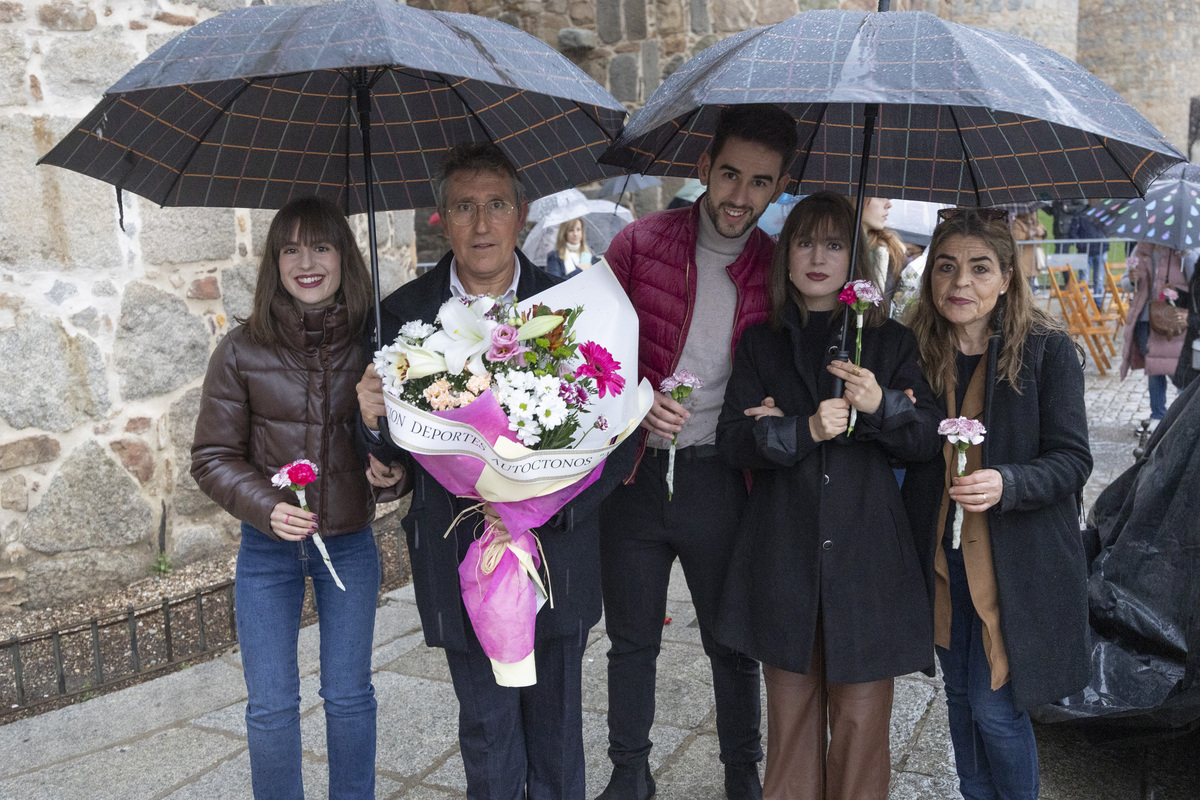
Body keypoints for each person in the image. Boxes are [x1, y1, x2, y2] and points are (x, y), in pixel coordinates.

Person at [355, 142, 635, 799]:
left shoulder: (574, 304)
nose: (481, 224)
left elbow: (618, 430)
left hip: (555, 549)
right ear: (441, 219)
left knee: (558, 734)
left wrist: (553, 509)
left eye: (496, 205)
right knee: (486, 733)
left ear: (522, 214)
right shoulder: (401, 316)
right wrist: (372, 419)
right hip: (460, 551)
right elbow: (395, 458)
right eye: (464, 207)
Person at [596, 103, 797, 800]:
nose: (741, 197)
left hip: (721, 482)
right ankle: (629, 778)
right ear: (705, 167)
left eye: (761, 182)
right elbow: (588, 359)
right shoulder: (637, 244)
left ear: (778, 186)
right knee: (630, 643)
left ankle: (743, 780)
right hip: (634, 478)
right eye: (731, 174)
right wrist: (636, 400)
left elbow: (790, 369)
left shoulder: (777, 272)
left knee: (731, 646)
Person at [714, 192, 941, 800]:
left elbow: (927, 440)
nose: (819, 257)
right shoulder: (763, 342)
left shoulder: (887, 343)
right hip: (785, 555)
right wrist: (801, 429)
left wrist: (881, 406)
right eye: (805, 243)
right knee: (790, 725)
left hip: (866, 561)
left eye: (835, 244)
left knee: (862, 724)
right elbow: (733, 439)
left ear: (854, 260)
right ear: (785, 257)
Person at [192, 197, 388, 800]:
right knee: (272, 705)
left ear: (344, 258)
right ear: (274, 262)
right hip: (268, 554)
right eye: (291, 248)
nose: (307, 262)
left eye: (322, 246)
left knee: (350, 695)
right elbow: (211, 457)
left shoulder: (374, 346)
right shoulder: (241, 350)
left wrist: (391, 470)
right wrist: (264, 505)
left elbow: (403, 448)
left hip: (350, 545)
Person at [904, 207, 1092, 800]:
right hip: (943, 559)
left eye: (980, 269)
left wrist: (1007, 483)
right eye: (947, 268)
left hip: (1015, 564)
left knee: (994, 708)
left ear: (1007, 277)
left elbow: (1072, 459)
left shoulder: (1047, 351)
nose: (961, 284)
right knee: (958, 696)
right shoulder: (914, 351)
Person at [1120, 241, 1188, 427]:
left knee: (1174, 366)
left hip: (1171, 316)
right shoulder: (1140, 249)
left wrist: (1187, 256)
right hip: (1144, 317)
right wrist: (1132, 280)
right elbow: (1125, 283)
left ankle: (1186, 409)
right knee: (1153, 364)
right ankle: (1157, 414)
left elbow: (1193, 279)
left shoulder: (1182, 249)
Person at [858, 195, 914, 320]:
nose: (888, 204)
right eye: (880, 197)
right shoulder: (828, 251)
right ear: (856, 198)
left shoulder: (892, 253)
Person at [1067, 206, 1110, 300]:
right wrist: (1081, 245)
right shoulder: (1080, 214)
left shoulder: (1103, 213)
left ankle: (1098, 304)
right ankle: (1082, 304)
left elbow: (1109, 228)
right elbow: (1072, 232)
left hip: (1100, 250)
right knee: (1083, 279)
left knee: (1099, 279)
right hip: (1085, 252)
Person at [1172, 248, 1200, 390]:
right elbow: (1193, 299)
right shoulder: (1197, 266)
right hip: (1192, 346)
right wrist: (1174, 294)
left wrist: (1189, 319)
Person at [1009, 210, 1047, 293]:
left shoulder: (1035, 221)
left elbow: (1044, 232)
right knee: (1025, 275)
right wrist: (1031, 233)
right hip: (1024, 254)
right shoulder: (1017, 223)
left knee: (1033, 275)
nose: (1031, 214)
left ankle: (1032, 292)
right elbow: (1017, 236)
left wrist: (1042, 232)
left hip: (1035, 254)